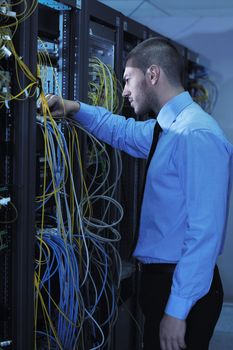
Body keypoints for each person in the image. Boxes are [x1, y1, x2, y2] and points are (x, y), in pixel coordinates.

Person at [44, 37, 233, 350]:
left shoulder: (195, 134)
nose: (124, 90)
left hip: (181, 288)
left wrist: (176, 310)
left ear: (153, 74)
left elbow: (205, 234)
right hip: (164, 283)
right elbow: (122, 131)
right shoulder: (169, 130)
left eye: (128, 79)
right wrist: (72, 108)